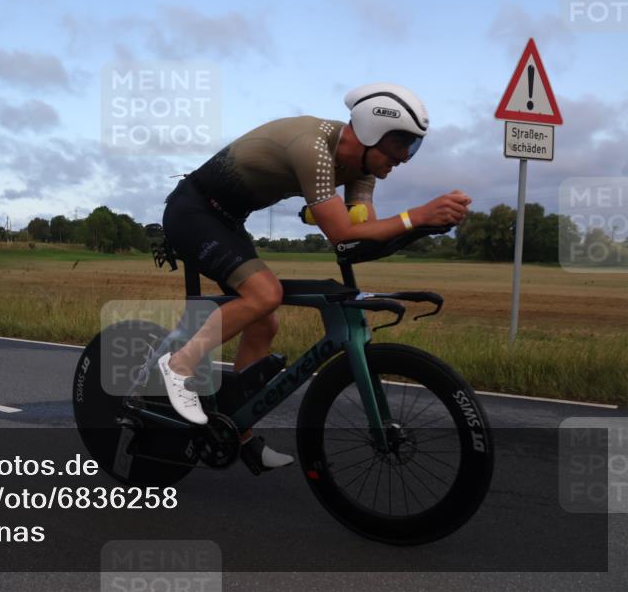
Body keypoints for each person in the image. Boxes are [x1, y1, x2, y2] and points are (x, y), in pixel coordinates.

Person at [158, 83, 472, 473]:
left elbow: (364, 239)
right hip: (193, 212)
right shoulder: (314, 147)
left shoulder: (363, 169)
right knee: (265, 294)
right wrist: (417, 216)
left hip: (226, 220)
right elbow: (342, 232)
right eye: (402, 144)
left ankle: (237, 430)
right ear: (373, 132)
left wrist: (427, 227)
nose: (405, 158)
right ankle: (179, 366)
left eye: (414, 146)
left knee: (263, 322)